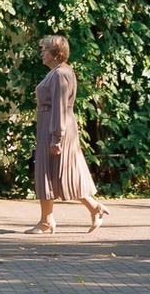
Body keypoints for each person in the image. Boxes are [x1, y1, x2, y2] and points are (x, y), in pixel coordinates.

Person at [28, 35, 110, 233]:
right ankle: (49, 219)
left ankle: (89, 209)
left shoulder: (60, 74)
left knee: (60, 172)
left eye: (45, 50)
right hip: (52, 126)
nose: (41, 53)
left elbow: (59, 107)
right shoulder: (58, 72)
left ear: (56, 53)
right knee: (51, 172)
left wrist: (56, 137)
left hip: (56, 127)